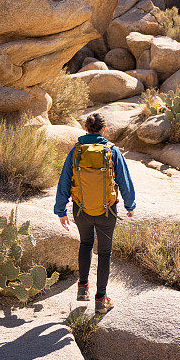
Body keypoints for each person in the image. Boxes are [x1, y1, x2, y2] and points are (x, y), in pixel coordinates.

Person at [54, 113, 136, 314]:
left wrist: (61, 210)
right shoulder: (111, 151)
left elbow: (64, 181)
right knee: (105, 252)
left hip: (81, 209)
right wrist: (130, 205)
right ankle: (101, 299)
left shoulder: (76, 151)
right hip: (106, 211)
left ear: (86, 128)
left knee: (86, 244)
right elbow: (125, 180)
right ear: (104, 129)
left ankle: (83, 288)